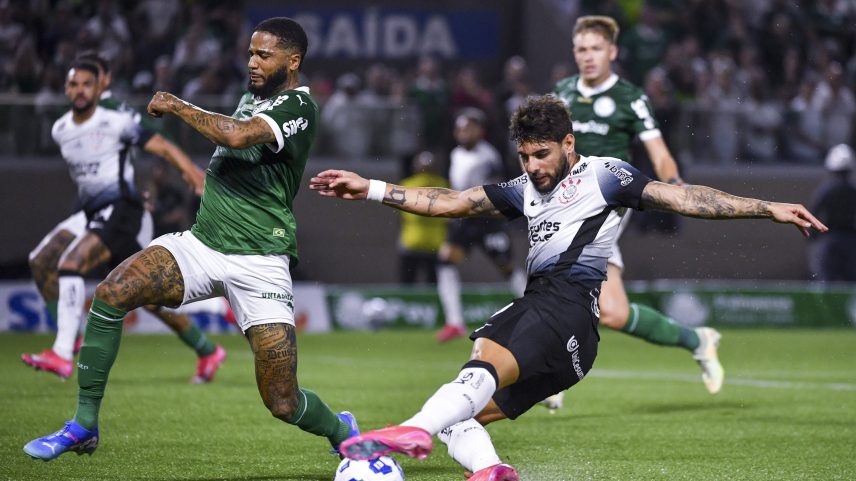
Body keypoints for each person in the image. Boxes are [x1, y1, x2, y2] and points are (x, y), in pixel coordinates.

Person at [309, 94, 826, 480]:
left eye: (541, 154)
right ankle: (489, 471)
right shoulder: (522, 190)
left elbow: (684, 198)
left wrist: (767, 207)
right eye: (524, 156)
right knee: (461, 417)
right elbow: (450, 202)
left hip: (559, 308)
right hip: (576, 348)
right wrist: (372, 188)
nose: (532, 167)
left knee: (480, 363)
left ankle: (409, 429)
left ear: (568, 144)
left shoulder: (606, 176)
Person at [23, 17, 358, 461]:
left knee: (282, 401)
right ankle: (83, 424)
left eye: (264, 55)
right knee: (111, 293)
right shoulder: (249, 99)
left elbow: (236, 136)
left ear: (293, 61)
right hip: (201, 245)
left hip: (260, 260)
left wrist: (177, 105)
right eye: (250, 54)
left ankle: (342, 430)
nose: (252, 63)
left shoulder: (300, 108)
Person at [21, 53, 224, 385]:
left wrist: (183, 176)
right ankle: (68, 340)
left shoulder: (115, 114)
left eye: (92, 81)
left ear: (104, 82)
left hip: (123, 210)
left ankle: (64, 349)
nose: (84, 89)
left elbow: (156, 143)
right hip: (92, 213)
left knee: (125, 285)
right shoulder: (63, 128)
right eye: (76, 83)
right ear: (68, 87)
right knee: (42, 260)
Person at [550, 16, 721, 407]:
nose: (588, 57)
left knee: (560, 275)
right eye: (581, 49)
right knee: (613, 312)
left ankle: (549, 373)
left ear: (612, 52)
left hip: (608, 201)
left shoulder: (630, 98)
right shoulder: (562, 93)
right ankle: (697, 339)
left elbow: (659, 154)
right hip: (566, 201)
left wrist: (677, 189)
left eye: (596, 49)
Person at [436, 108, 526, 342]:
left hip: (487, 221)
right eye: (460, 128)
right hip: (464, 221)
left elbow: (497, 187)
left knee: (506, 267)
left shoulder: (488, 155)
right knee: (445, 262)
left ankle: (537, 312)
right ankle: (454, 322)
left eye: (468, 128)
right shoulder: (455, 154)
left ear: (479, 131)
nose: (463, 133)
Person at [398, 151, 449, 284]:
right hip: (435, 243)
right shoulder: (443, 185)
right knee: (433, 285)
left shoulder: (407, 184)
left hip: (412, 242)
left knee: (407, 284)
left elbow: (405, 214)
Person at [808, 144, 856, 281]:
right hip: (850, 239)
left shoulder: (826, 190)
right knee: (851, 281)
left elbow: (814, 212)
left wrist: (813, 236)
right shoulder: (852, 190)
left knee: (825, 280)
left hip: (828, 239)